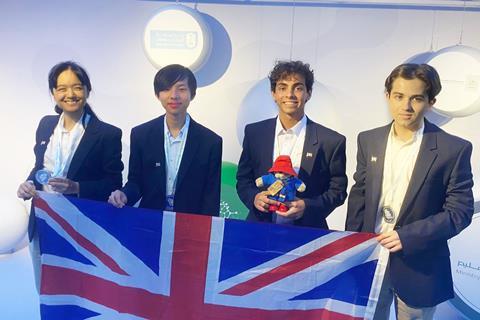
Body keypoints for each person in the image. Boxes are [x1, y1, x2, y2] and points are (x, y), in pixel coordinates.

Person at [346, 63, 474, 319]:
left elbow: (459, 212)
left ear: (431, 101)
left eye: (416, 98)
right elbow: (359, 194)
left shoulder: (453, 149)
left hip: (421, 265)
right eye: (399, 96)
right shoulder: (368, 140)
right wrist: (352, 245)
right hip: (371, 257)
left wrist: (408, 236)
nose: (406, 106)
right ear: (387, 96)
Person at [16, 61, 124, 289]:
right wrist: (28, 183)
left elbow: (113, 183)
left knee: (80, 293)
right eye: (62, 88)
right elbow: (39, 168)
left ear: (87, 90)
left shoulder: (106, 134)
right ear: (54, 93)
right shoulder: (46, 125)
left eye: (76, 87)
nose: (70, 94)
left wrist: (77, 187)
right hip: (44, 222)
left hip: (81, 226)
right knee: (46, 290)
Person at [236, 60, 347, 228]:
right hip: (259, 230)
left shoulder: (331, 141)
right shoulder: (254, 133)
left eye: (298, 88)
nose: (290, 94)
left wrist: (307, 207)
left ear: (308, 93)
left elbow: (338, 191)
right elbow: (244, 180)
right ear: (273, 93)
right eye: (282, 88)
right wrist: (255, 198)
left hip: (308, 235)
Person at [108, 64, 222, 216]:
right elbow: (135, 183)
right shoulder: (141, 135)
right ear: (157, 94)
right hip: (150, 223)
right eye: (166, 89)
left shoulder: (210, 142)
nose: (173, 95)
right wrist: (124, 195)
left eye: (181, 89)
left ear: (192, 94)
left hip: (190, 225)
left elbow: (211, 196)